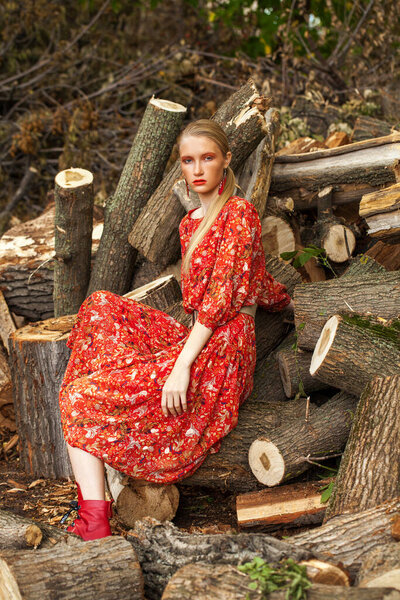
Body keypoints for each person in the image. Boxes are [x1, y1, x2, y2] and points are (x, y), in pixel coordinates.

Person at [59, 119, 292, 541]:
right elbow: (249, 282)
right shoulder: (190, 224)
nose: (198, 168)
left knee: (77, 398)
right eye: (189, 160)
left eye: (208, 158)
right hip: (198, 336)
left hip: (221, 348)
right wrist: (277, 295)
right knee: (99, 307)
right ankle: (98, 472)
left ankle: (94, 519)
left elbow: (224, 298)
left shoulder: (240, 214)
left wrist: (181, 367)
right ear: (181, 168)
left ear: (225, 161)